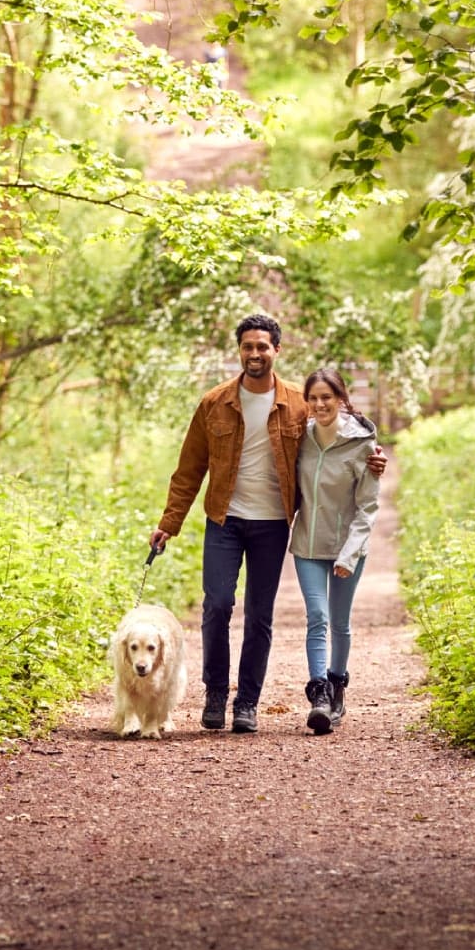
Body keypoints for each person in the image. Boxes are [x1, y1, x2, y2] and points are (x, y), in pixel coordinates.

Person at [150, 314, 386, 733]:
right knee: (217, 606)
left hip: (273, 523)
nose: (255, 354)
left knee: (260, 614)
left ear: (277, 350)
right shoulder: (214, 403)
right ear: (239, 350)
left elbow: (338, 428)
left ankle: (247, 703)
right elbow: (189, 469)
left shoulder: (297, 403)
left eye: (263, 346)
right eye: (247, 346)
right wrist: (170, 522)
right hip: (224, 519)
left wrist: (372, 454)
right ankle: (216, 693)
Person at [289, 368, 380, 734]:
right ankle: (319, 695)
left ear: (340, 399)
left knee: (340, 622)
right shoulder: (301, 439)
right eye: (313, 398)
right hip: (308, 543)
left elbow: (368, 507)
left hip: (348, 549)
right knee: (317, 617)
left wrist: (349, 555)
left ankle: (338, 683)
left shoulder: (363, 445)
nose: (319, 404)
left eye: (327, 397)